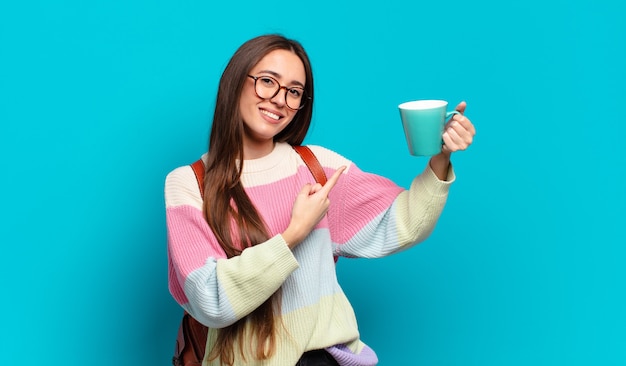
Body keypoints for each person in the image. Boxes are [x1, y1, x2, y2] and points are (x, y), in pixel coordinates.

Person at [165, 34, 476, 366]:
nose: (279, 99)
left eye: (294, 92)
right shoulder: (190, 184)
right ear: (235, 83)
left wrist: (440, 160)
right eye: (267, 82)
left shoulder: (318, 167)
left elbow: (404, 223)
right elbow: (210, 299)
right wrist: (294, 233)